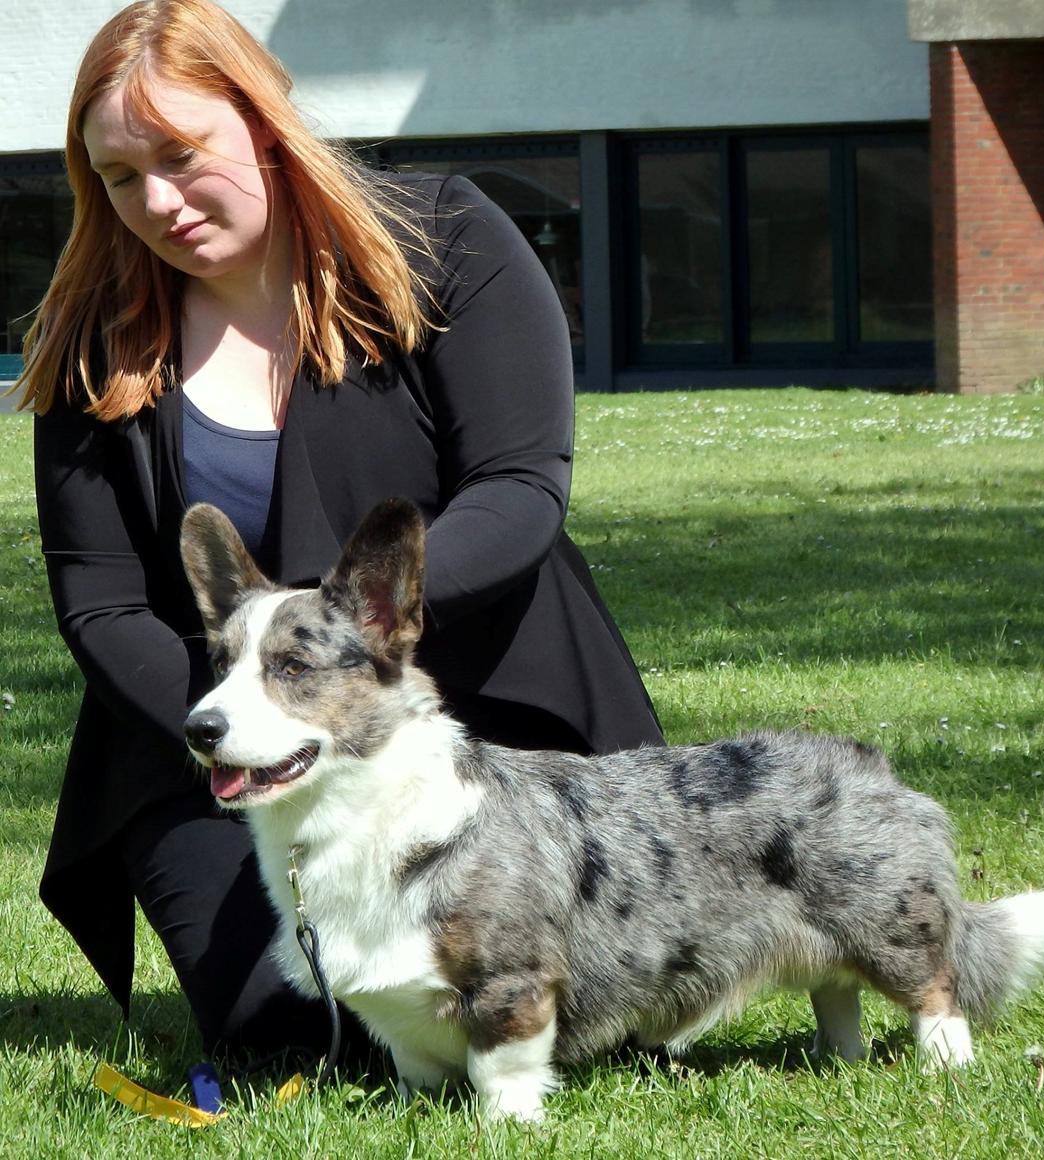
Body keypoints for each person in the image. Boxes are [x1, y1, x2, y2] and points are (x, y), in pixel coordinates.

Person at [18, 0, 662, 1068]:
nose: (159, 203)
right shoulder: (91, 341)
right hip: (212, 748)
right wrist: (250, 718)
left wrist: (342, 663)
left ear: (264, 121)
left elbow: (520, 488)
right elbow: (101, 599)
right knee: (301, 1032)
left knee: (582, 1009)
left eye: (181, 155)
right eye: (122, 178)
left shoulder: (442, 236)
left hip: (483, 700)